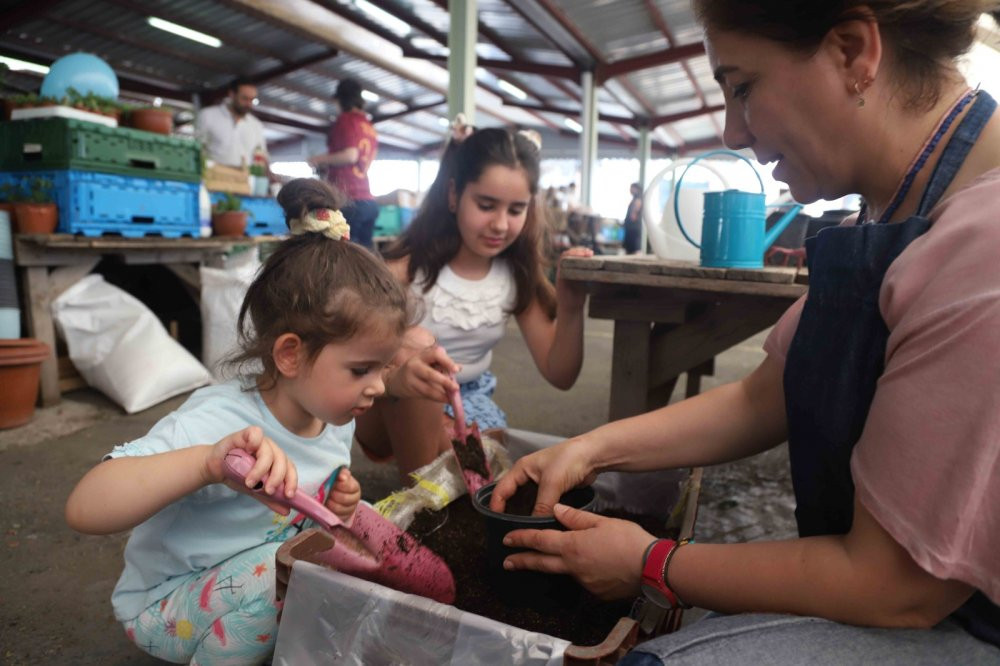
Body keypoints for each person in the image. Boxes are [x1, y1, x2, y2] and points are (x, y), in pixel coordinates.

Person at [491, 2, 1000, 663]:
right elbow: (762, 397)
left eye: (743, 88)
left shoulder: (982, 254)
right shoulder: (883, 217)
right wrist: (590, 448)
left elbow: (896, 588)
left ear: (852, 51)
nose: (734, 130)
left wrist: (653, 563)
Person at [63, 178, 430, 664]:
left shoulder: (334, 414)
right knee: (289, 571)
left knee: (336, 556)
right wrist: (207, 465)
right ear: (291, 355)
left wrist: (338, 506)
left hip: (242, 590)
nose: (379, 387)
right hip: (165, 606)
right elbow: (85, 508)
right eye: (362, 369)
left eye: (383, 368)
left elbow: (303, 509)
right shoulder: (221, 421)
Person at [356, 126, 594, 477]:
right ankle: (423, 502)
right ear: (453, 195)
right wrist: (398, 355)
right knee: (424, 350)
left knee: (486, 472)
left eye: (516, 209)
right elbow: (346, 342)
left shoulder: (515, 276)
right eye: (486, 205)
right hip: (385, 397)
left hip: (470, 401)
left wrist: (572, 305)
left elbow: (560, 374)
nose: (500, 224)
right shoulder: (409, 269)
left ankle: (439, 487)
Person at [308, 78, 379, 251]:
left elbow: (350, 155)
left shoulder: (346, 120)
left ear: (339, 100)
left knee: (345, 257)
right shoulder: (368, 125)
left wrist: (318, 159)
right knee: (365, 258)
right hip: (368, 201)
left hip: (349, 199)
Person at [196, 78, 268, 169]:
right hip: (212, 177)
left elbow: (263, 156)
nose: (249, 104)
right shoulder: (207, 115)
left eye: (252, 100)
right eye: (245, 98)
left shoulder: (257, 125)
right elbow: (197, 148)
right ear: (232, 95)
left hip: (243, 179)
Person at [623, 181, 644, 254]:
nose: (630, 190)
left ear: (636, 189)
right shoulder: (636, 199)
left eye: (631, 188)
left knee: (635, 250)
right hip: (632, 228)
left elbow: (633, 216)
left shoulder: (638, 200)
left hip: (633, 228)